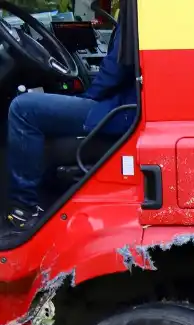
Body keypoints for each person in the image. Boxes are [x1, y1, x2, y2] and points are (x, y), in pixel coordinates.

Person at [6, 23, 135, 230]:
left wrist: (87, 97)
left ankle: (23, 207)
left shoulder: (135, 11)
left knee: (23, 109)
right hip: (124, 106)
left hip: (119, 111)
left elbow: (115, 68)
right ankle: (46, 191)